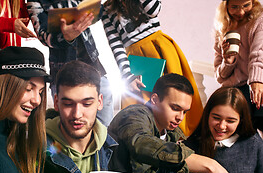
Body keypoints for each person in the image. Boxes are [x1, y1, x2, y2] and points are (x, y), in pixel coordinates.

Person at [44, 60, 174, 173]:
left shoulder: (115, 147)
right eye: (68, 104)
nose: (77, 114)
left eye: (86, 104)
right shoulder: (38, 147)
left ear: (99, 102)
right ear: (57, 102)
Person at [108, 73, 239, 173]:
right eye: (175, 108)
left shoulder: (173, 132)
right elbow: (140, 144)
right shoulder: (134, 114)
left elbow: (185, 168)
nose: (180, 117)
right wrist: (212, 166)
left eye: (185, 112)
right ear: (155, 99)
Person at [102, 0, 203, 137]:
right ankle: (150, 144)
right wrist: (128, 75)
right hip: (136, 62)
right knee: (140, 105)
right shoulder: (106, 8)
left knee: (174, 98)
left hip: (159, 49)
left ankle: (179, 139)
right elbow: (116, 45)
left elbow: (154, 10)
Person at [26, 0, 114, 126]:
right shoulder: (35, 2)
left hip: (92, 65)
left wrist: (90, 13)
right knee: (71, 126)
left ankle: (104, 145)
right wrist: (65, 36)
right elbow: (43, 36)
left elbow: (99, 11)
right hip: (62, 71)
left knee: (105, 126)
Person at [214, 0, 263, 132]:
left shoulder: (259, 21)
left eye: (246, 5)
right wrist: (228, 61)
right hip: (234, 89)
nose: (240, 12)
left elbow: (258, 53)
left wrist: (256, 80)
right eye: (234, 7)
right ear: (226, 6)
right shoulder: (221, 27)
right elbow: (219, 76)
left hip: (256, 84)